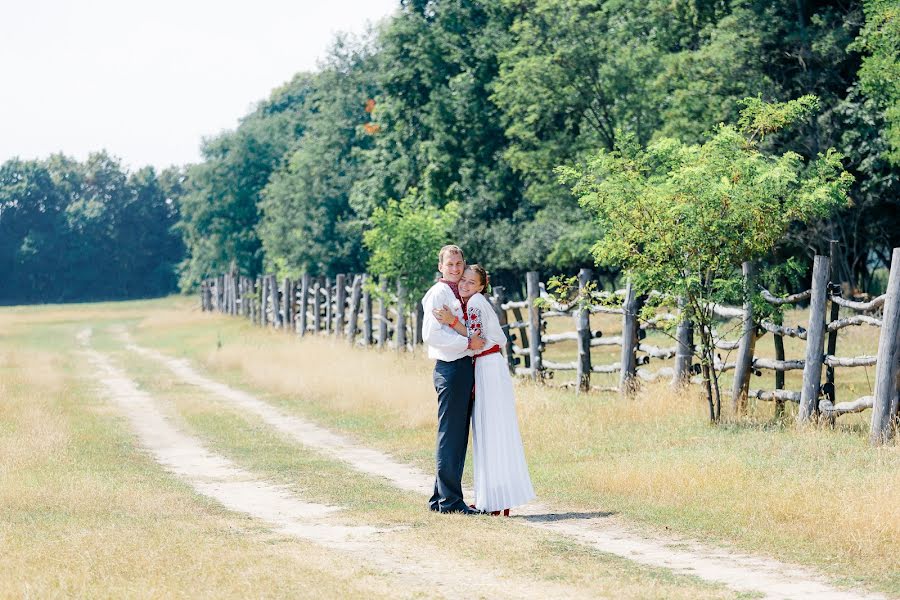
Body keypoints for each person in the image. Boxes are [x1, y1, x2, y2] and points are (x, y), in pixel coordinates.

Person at [434, 264, 535, 516]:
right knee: (490, 431)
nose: (465, 285)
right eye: (463, 280)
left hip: (487, 366)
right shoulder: (474, 301)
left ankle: (494, 499)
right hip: (485, 365)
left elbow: (475, 339)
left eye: (472, 282)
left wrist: (451, 321)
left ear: (481, 286)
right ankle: (495, 499)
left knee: (489, 430)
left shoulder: (476, 302)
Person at [421, 245, 485, 514]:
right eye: (450, 265)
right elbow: (432, 335)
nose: (456, 269)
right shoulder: (439, 293)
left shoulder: (458, 292)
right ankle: (450, 502)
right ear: (441, 267)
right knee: (451, 436)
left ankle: (440, 499)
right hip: (450, 367)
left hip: (461, 367)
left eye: (459, 264)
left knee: (456, 437)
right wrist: (467, 343)